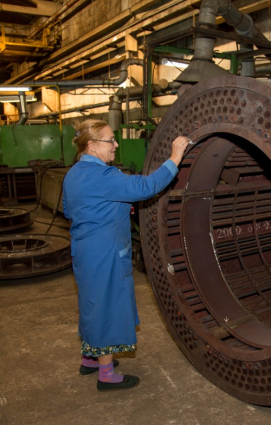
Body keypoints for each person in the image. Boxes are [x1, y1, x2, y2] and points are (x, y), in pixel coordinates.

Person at [62, 119, 189, 391]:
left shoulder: (73, 174)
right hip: (105, 253)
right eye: (110, 140)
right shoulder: (104, 176)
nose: (116, 144)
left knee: (91, 304)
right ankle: (106, 375)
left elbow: (69, 210)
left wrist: (114, 208)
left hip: (84, 250)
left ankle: (90, 359)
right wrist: (175, 157)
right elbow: (145, 187)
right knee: (107, 307)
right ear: (92, 145)